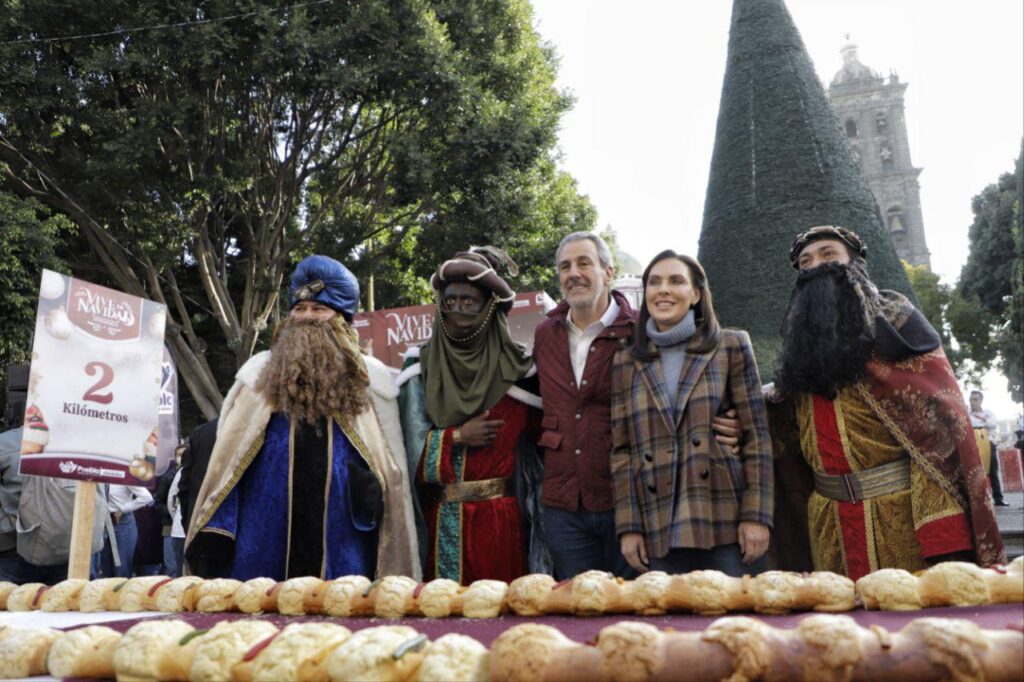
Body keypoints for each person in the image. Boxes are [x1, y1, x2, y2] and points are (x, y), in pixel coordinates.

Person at [769, 225, 1005, 579]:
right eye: (806, 261)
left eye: (828, 255)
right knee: (838, 628)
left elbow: (935, 438)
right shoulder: (803, 350)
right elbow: (782, 418)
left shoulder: (897, 328)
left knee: (906, 627)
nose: (816, 265)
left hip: (901, 521)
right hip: (827, 524)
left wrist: (942, 536)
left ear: (855, 264)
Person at [184, 255, 418, 581]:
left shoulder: (369, 382)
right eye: (300, 309)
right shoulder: (258, 377)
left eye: (319, 310)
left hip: (346, 539)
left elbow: (391, 470)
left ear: (342, 321)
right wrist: (219, 529)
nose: (307, 317)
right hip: (263, 540)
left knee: (343, 618)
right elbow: (228, 466)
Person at [534, 232, 746, 579]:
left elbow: (685, 390)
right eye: (565, 266)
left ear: (608, 271)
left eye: (584, 263)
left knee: (636, 611)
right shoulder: (546, 333)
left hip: (630, 501)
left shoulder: (640, 333)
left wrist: (726, 423)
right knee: (574, 611)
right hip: (564, 503)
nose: (573, 273)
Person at [611, 251, 773, 576]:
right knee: (669, 622)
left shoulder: (730, 346)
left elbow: (757, 438)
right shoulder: (627, 362)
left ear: (696, 294)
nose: (663, 290)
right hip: (658, 522)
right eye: (654, 282)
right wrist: (628, 527)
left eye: (676, 281)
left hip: (723, 516)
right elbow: (622, 452)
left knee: (734, 623)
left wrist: (756, 516)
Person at [398, 247, 547, 583]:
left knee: (501, 617)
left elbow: (542, 454)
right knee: (445, 620)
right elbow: (405, 452)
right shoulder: (419, 368)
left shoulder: (522, 370)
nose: (458, 310)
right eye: (450, 301)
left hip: (504, 522)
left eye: (469, 301)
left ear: (490, 306)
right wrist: (457, 437)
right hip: (441, 523)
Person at [0, 425, 106, 584]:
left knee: (12, 603)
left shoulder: (5, 443)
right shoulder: (86, 444)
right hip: (68, 547)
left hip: (13, 548)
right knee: (61, 603)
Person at [94, 484, 153, 579]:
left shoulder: (123, 472)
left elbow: (146, 497)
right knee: (106, 570)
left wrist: (123, 509)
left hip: (121, 521)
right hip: (102, 520)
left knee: (121, 570)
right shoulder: (100, 472)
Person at [969, 390, 1008, 507]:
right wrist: (982, 424)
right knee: (975, 471)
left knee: (993, 471)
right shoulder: (967, 413)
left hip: (988, 443)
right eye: (971, 400)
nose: (972, 402)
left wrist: (981, 422)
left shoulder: (988, 413)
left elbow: (993, 424)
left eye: (975, 399)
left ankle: (998, 499)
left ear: (981, 400)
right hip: (974, 444)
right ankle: (979, 501)